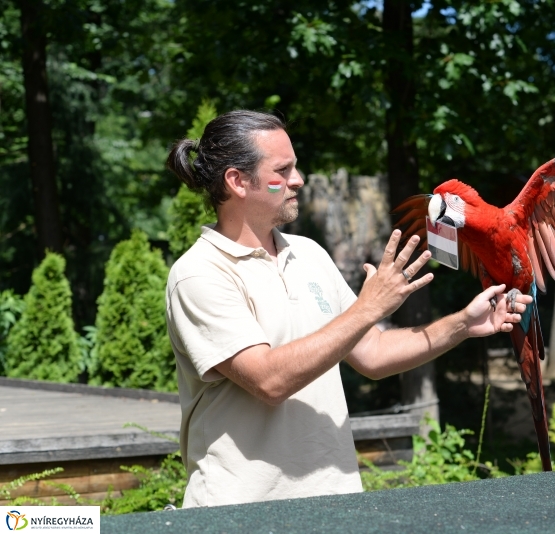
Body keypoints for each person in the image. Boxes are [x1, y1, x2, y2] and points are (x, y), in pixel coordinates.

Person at [164, 110, 532, 508]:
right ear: (237, 181)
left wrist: (462, 324)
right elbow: (269, 380)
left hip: (335, 507)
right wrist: (368, 307)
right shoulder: (199, 274)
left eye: (296, 167)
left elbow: (371, 353)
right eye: (283, 170)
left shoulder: (308, 254)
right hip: (240, 513)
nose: (298, 180)